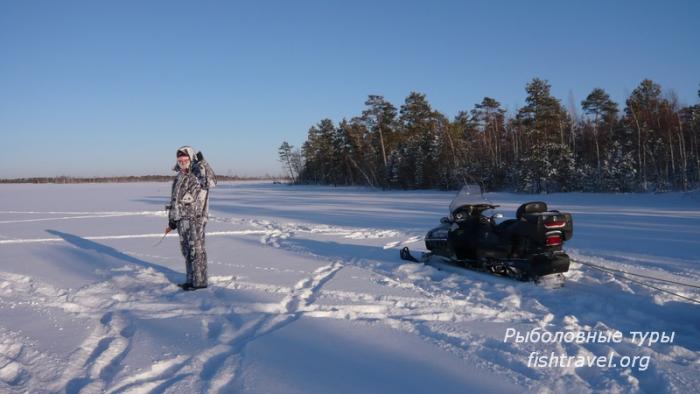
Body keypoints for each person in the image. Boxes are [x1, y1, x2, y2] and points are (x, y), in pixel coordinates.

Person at [165, 146, 216, 290]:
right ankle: (190, 280)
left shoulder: (198, 173)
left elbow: (211, 182)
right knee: (187, 251)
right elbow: (175, 199)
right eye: (180, 159)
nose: (182, 162)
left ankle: (199, 283)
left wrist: (202, 163)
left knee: (197, 251)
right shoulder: (179, 176)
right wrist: (172, 219)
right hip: (182, 220)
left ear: (190, 158)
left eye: (185, 159)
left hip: (196, 219)